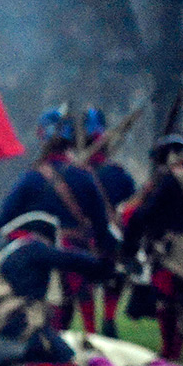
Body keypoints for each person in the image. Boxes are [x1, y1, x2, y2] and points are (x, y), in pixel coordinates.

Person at [0, 108, 116, 334]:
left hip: (41, 261)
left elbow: (1, 223)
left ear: (42, 136)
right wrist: (106, 259)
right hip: (78, 258)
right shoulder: (83, 176)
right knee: (83, 318)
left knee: (50, 323)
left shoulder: (31, 178)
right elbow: (101, 227)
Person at [0, 211, 117, 366]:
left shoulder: (2, 256)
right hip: (26, 329)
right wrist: (105, 264)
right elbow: (71, 260)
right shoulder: (34, 247)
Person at [120, 134, 183, 360]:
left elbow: (142, 216)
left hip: (173, 248)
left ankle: (170, 350)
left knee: (166, 299)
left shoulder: (169, 180)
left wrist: (128, 247)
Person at [78, 108, 135, 338]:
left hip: (85, 238)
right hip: (110, 238)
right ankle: (108, 321)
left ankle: (93, 330)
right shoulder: (119, 174)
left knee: (85, 283)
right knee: (113, 279)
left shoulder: (72, 173)